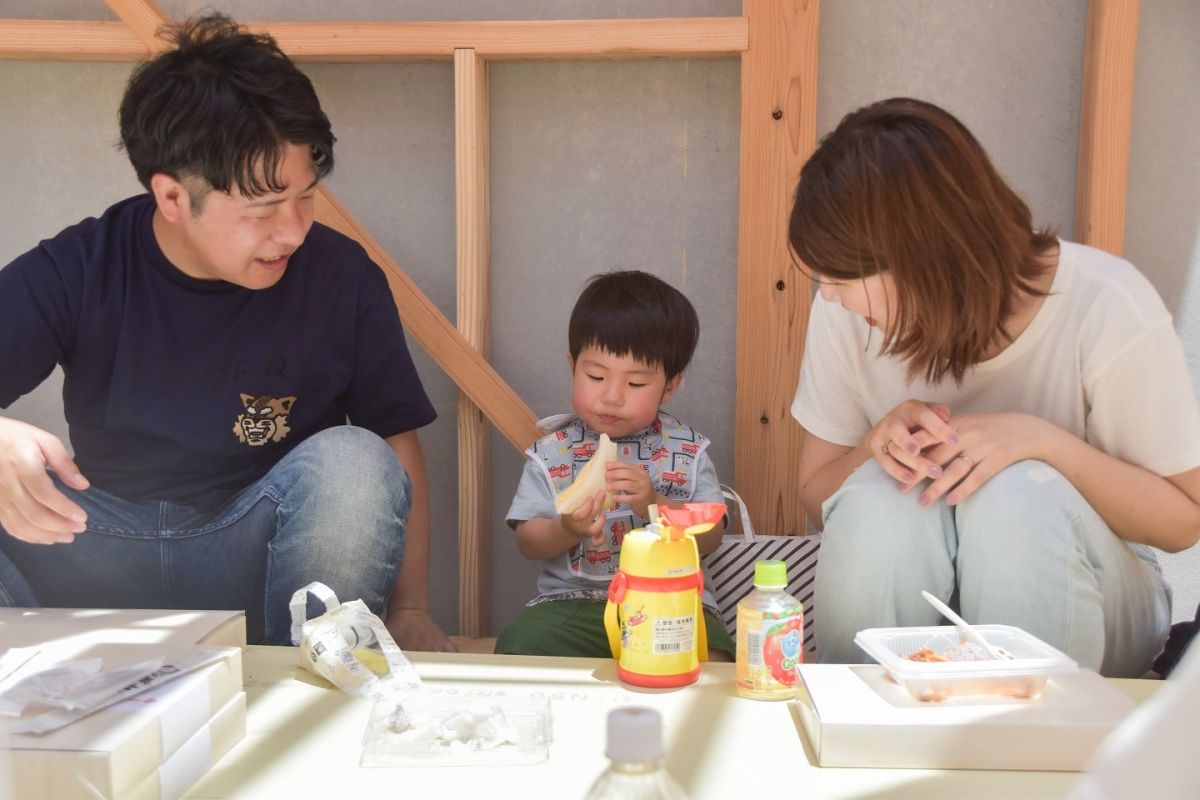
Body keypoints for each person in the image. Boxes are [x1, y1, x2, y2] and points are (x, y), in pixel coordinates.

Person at [0, 13, 454, 651]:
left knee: (356, 459)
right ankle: (20, 701)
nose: (293, 230)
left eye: (306, 197)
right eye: (264, 208)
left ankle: (301, 688)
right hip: (89, 550)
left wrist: (411, 607)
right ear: (172, 199)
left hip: (256, 560)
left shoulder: (341, 277)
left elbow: (392, 447)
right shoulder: (82, 266)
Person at [788, 97, 1200, 677]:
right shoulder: (844, 314)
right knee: (884, 494)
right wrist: (873, 446)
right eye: (820, 276)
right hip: (921, 606)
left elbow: (1184, 519)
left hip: (1097, 602)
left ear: (927, 256)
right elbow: (817, 493)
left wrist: (1040, 442)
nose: (827, 294)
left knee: (1015, 497)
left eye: (841, 276)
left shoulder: (1106, 304)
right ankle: (860, 716)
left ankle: (1043, 746)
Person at [494, 270, 735, 660]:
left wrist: (655, 504)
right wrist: (567, 527)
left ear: (669, 386)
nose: (611, 397)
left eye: (636, 384)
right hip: (573, 605)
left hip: (670, 602)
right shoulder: (552, 452)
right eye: (595, 376)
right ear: (573, 366)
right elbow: (528, 543)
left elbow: (710, 538)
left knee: (717, 658)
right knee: (520, 645)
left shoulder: (688, 450)